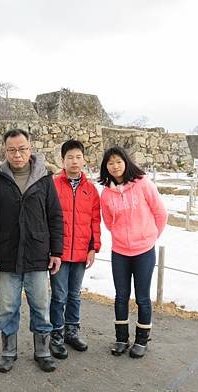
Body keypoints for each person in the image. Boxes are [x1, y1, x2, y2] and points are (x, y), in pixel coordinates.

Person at [0, 128, 63, 373]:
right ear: (5, 151)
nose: (18, 154)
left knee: (40, 305)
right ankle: (8, 351)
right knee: (7, 307)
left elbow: (55, 217)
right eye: (12, 150)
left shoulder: (44, 179)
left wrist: (56, 251)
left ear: (31, 149)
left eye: (22, 149)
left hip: (38, 254)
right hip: (6, 256)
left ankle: (43, 350)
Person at [98, 146, 167, 358]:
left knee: (143, 297)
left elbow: (160, 213)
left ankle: (142, 340)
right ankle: (121, 338)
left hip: (144, 251)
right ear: (106, 167)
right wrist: (122, 237)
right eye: (110, 163)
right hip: (120, 251)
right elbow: (109, 222)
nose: (115, 166)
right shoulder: (106, 193)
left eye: (118, 161)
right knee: (121, 296)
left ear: (126, 162)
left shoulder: (143, 184)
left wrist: (148, 237)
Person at [49, 139, 101, 359]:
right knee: (59, 295)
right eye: (70, 157)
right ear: (63, 160)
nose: (74, 161)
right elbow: (47, 218)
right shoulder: (52, 184)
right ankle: (56, 335)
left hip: (81, 252)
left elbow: (95, 221)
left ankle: (72, 331)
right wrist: (51, 250)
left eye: (78, 157)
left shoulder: (91, 190)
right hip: (59, 253)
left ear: (84, 159)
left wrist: (93, 248)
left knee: (74, 295)